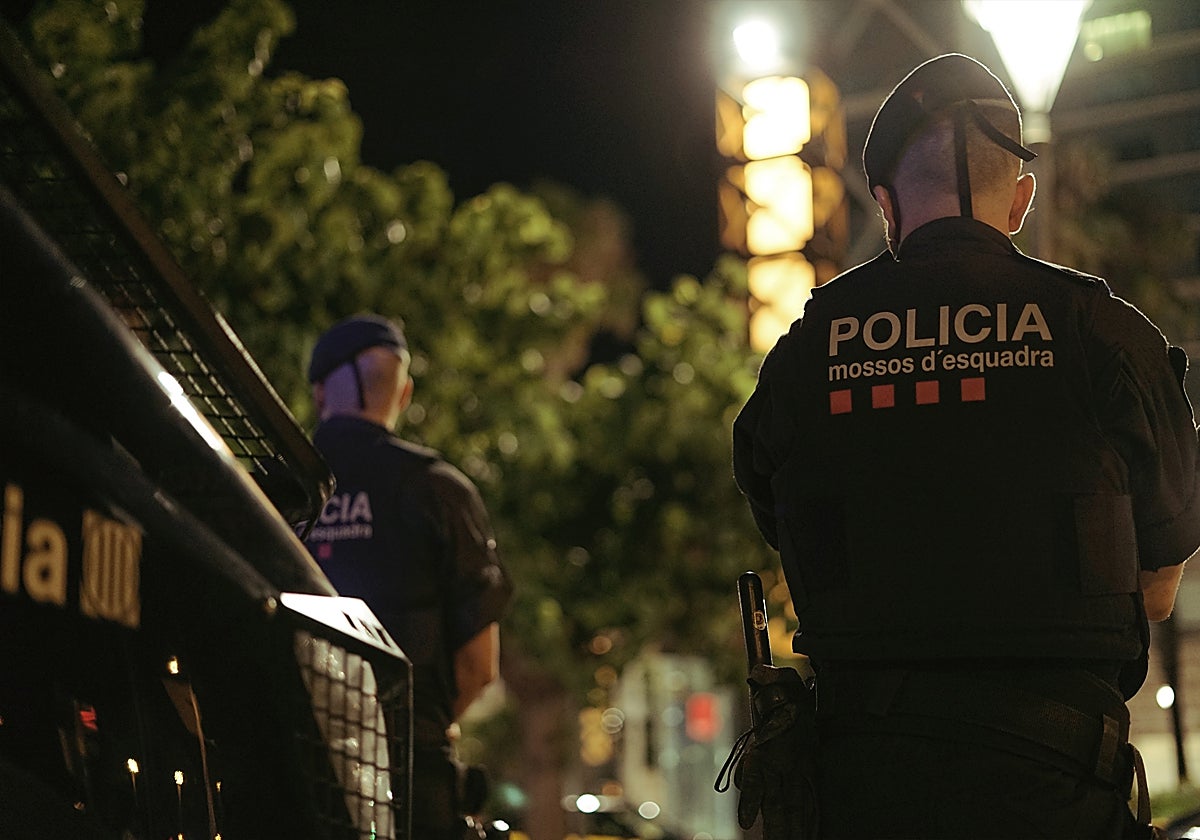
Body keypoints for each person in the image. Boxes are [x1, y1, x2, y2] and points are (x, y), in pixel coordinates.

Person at [731, 53, 1200, 840]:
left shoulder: (806, 352)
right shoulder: (1104, 335)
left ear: (884, 205)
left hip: (858, 796)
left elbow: (792, 532)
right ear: (1020, 199)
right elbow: (1156, 591)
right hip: (1058, 796)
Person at [302, 313, 513, 840]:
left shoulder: (274, 486)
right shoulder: (439, 491)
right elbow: (480, 666)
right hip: (411, 778)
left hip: (292, 767)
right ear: (404, 393)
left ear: (321, 391)